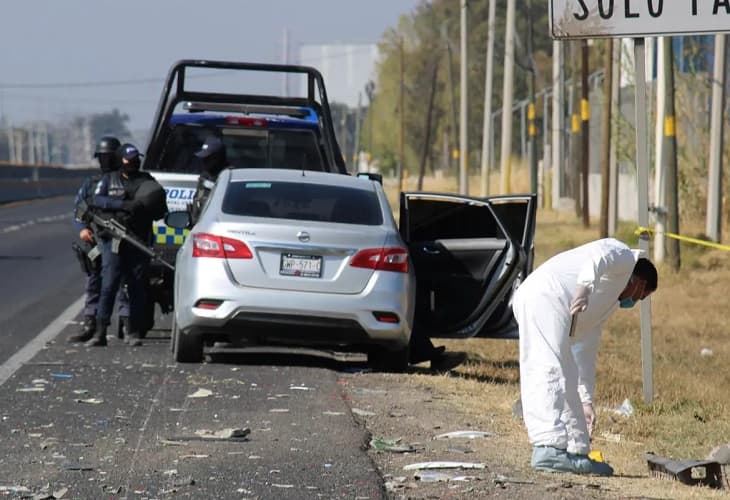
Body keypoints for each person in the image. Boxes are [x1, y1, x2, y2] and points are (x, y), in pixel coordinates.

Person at [511, 238, 658, 476]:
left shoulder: (604, 304)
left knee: (567, 374)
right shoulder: (624, 256)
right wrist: (585, 287)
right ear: (639, 283)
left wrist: (586, 400)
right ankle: (548, 447)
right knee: (549, 368)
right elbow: (599, 256)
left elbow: (584, 352)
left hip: (550, 302)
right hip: (546, 296)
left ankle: (577, 450)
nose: (635, 302)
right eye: (641, 296)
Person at [86, 143, 168, 347]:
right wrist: (121, 205)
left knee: (136, 286)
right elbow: (96, 200)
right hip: (112, 239)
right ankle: (100, 331)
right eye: (128, 160)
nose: (132, 163)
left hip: (137, 240)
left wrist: (142, 207)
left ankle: (132, 330)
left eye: (135, 160)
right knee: (109, 284)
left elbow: (160, 210)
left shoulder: (147, 182)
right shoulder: (108, 180)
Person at [68, 136, 130, 344]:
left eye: (109, 157)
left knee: (122, 282)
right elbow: (78, 211)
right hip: (96, 240)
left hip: (120, 240)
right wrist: (83, 229)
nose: (105, 162)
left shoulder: (125, 181)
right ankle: (90, 321)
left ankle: (126, 322)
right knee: (94, 279)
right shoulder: (91, 184)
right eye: (102, 158)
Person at [189, 135, 231, 223]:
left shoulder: (229, 177)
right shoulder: (205, 176)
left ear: (218, 157)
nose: (204, 161)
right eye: (203, 158)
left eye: (208, 158)